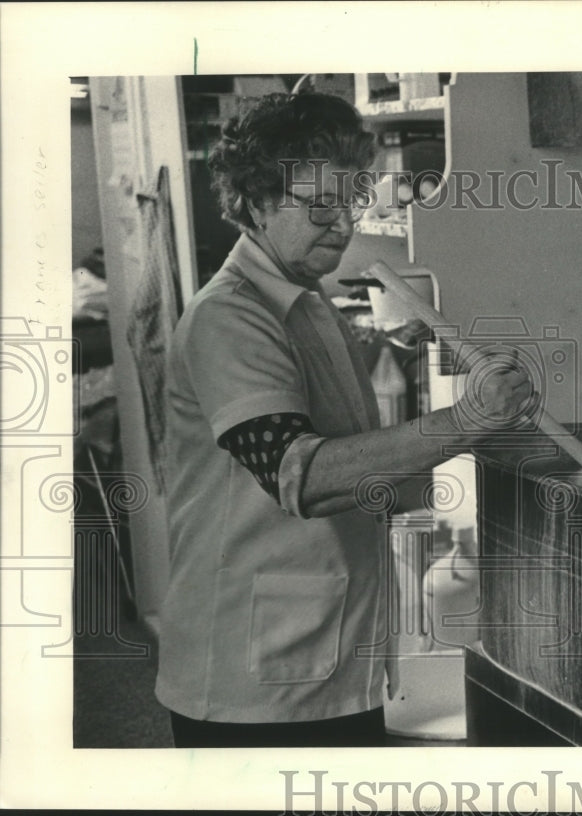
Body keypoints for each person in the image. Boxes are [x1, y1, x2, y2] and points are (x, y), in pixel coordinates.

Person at [154, 92, 534, 747]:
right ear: (254, 201)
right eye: (320, 206)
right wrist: (470, 417)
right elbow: (303, 474)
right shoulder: (229, 318)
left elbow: (312, 404)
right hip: (254, 684)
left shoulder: (305, 298)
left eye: (352, 203)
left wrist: (386, 342)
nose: (342, 225)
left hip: (319, 658)